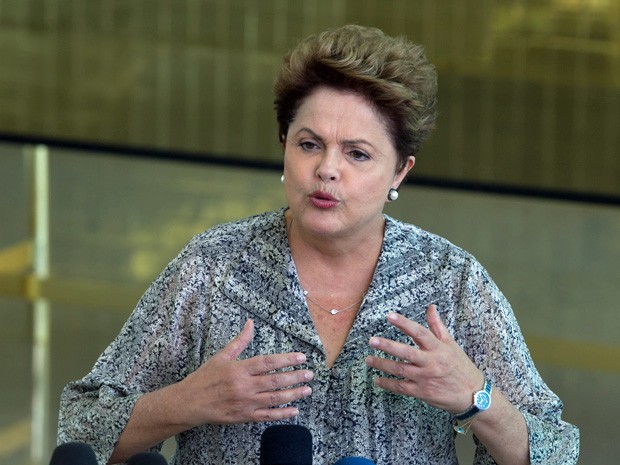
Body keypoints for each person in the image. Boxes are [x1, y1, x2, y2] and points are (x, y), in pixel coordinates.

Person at [58, 25, 579, 465]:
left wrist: (477, 398)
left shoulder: (452, 280)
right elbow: (80, 426)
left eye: (357, 154)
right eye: (310, 145)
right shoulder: (212, 268)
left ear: (401, 170)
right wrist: (184, 403)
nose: (326, 169)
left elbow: (556, 450)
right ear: (284, 145)